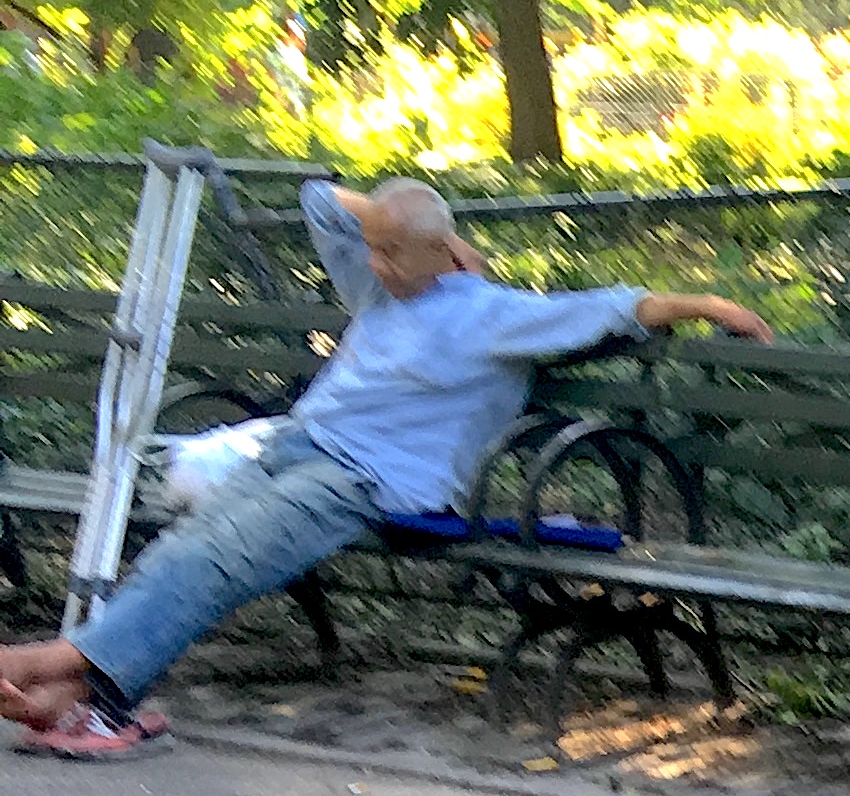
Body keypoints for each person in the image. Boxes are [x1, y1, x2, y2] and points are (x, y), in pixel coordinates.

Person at [3, 180, 768, 756]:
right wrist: (395, 220)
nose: (372, 263)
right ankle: (81, 705)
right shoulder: (375, 279)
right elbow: (318, 199)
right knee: (183, 551)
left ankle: (39, 662)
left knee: (211, 560)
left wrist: (708, 303)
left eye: (391, 251)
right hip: (297, 450)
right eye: (371, 247)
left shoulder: (494, 317)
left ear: (439, 253)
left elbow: (616, 308)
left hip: (368, 485)